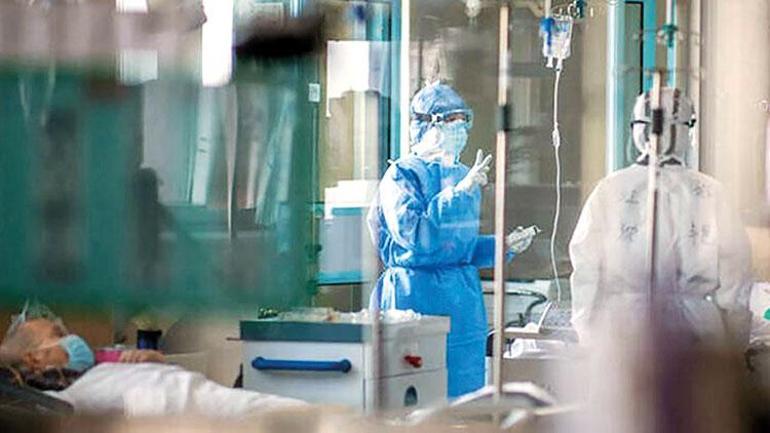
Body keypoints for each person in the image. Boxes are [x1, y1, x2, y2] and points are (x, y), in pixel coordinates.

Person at [367, 83, 535, 397]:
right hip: (416, 298)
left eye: (463, 123)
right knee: (413, 396)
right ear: (427, 124)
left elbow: (459, 249)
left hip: (463, 306)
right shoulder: (403, 175)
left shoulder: (462, 175)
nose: (460, 131)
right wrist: (458, 194)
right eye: (451, 122)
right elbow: (419, 238)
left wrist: (502, 246)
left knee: (464, 401)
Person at [569, 88, 753, 346]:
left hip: (622, 337)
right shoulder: (712, 193)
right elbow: (736, 280)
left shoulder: (610, 190)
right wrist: (735, 342)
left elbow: (586, 271)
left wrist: (588, 336)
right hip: (698, 336)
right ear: (686, 130)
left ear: (637, 129)